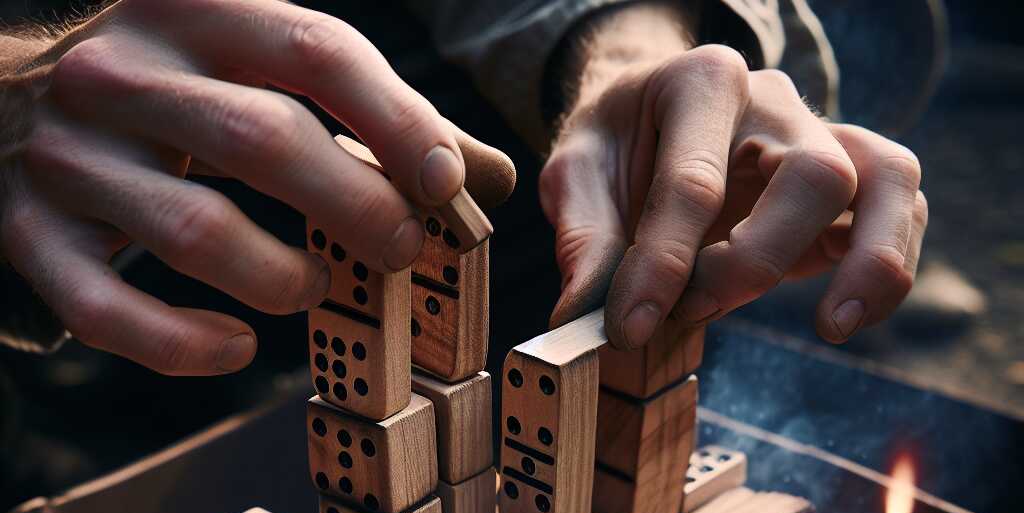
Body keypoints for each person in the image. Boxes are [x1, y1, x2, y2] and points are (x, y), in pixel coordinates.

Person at [0, 0, 930, 375]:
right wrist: (14, 98)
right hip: (75, 220)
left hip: (385, 102)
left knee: (887, 21)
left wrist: (625, 60)